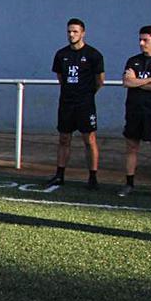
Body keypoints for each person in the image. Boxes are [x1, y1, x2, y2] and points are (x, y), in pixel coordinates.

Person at [48, 19, 104, 190]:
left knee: (89, 139)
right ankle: (60, 174)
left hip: (85, 104)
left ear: (83, 33)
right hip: (66, 103)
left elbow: (99, 80)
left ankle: (93, 177)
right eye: (69, 32)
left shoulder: (94, 55)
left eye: (75, 32)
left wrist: (87, 94)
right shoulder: (61, 54)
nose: (71, 35)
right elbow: (60, 77)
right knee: (64, 138)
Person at [118, 25, 151, 200]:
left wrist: (137, 81)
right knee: (132, 146)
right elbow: (127, 82)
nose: (141, 43)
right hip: (134, 110)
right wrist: (149, 79)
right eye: (140, 40)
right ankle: (129, 183)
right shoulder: (133, 60)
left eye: (145, 40)